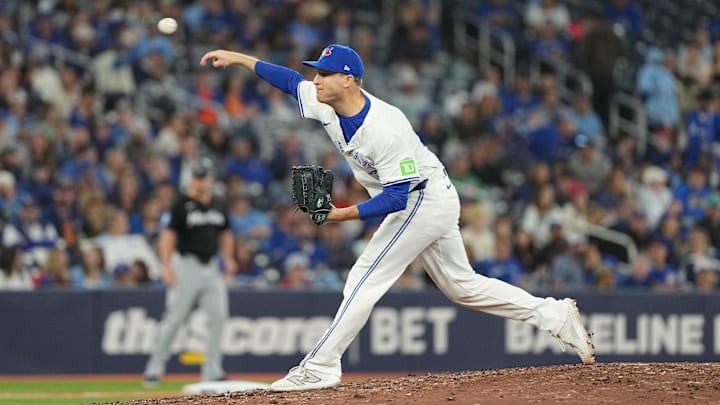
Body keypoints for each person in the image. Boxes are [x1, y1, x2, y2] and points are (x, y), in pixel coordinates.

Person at [200, 44, 595, 392]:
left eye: (325, 73)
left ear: (349, 80)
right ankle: (555, 315)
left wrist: (341, 215)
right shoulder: (325, 99)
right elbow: (287, 80)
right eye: (316, 72)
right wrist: (239, 59)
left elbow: (396, 198)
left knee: (364, 276)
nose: (315, 79)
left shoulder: (386, 129)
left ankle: (318, 366)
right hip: (427, 196)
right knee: (463, 287)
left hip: (420, 199)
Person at [143, 157, 237, 386]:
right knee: (175, 319)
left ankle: (212, 370)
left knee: (218, 316)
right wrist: (166, 266)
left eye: (204, 177)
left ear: (210, 179)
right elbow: (168, 237)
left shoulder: (218, 203)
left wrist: (229, 258)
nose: (201, 181)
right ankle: (154, 368)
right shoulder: (181, 203)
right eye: (197, 177)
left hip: (211, 267)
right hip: (187, 266)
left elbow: (225, 233)